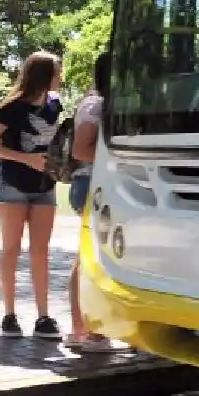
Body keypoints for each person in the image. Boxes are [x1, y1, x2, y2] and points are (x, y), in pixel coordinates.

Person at [0, 51, 65, 339]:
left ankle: (43, 317)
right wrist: (24, 159)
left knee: (40, 252)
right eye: (57, 72)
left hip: (45, 187)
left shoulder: (55, 105)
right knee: (11, 250)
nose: (61, 77)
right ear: (44, 75)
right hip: (12, 184)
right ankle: (9, 316)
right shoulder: (12, 107)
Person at [65, 53, 112, 351]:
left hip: (102, 184)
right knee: (87, 258)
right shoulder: (96, 104)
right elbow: (81, 151)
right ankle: (84, 330)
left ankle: (86, 329)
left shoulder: (105, 102)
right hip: (90, 184)